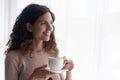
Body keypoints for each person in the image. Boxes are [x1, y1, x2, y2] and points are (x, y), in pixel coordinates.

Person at [5, 4, 74, 80]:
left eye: (51, 23)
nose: (50, 28)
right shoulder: (13, 58)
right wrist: (33, 77)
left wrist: (69, 71)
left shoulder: (52, 54)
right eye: (43, 23)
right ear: (29, 27)